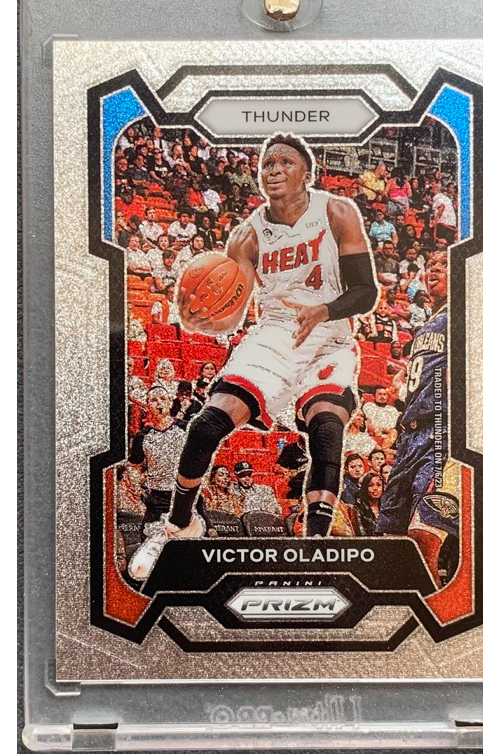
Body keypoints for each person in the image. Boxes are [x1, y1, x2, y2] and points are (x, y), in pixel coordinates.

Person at [128, 132, 379, 578]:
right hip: (275, 334)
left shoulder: (337, 212)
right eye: (267, 164)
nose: (274, 169)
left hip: (330, 334)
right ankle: (179, 525)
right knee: (205, 425)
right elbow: (232, 313)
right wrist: (200, 318)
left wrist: (323, 309)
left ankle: (315, 546)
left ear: (307, 172)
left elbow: (366, 292)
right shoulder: (247, 235)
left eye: (285, 162)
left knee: (326, 430)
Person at [375, 250, 455, 579]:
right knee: (391, 541)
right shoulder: (427, 326)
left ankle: (435, 602)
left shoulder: (463, 312)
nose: (434, 269)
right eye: (431, 265)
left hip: (439, 430)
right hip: (410, 435)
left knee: (424, 539)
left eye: (444, 265)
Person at [127, 387, 188, 526]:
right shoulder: (142, 436)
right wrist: (137, 486)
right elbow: (133, 466)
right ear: (148, 406)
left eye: (163, 399)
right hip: (156, 496)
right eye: (154, 400)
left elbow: (202, 455)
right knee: (148, 536)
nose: (159, 403)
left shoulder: (185, 428)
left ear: (170, 403)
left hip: (184, 494)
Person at [353, 472, 384, 536]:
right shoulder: (358, 509)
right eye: (370, 485)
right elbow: (361, 535)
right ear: (365, 488)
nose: (375, 488)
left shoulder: (387, 507)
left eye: (378, 485)